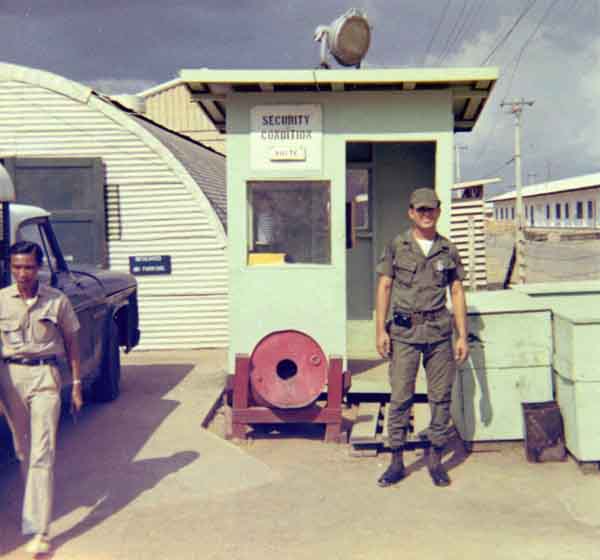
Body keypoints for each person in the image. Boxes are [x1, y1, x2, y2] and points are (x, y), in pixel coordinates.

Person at [375, 188, 469, 488]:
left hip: (439, 333)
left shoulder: (448, 250)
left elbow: (456, 292)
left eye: (432, 210)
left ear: (439, 211)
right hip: (404, 333)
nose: (426, 215)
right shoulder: (398, 246)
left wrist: (462, 336)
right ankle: (396, 461)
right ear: (411, 212)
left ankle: (435, 460)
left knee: (440, 398)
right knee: (400, 397)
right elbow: (385, 286)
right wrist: (379, 330)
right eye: (421, 210)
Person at [0, 241, 82, 556]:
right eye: (17, 267)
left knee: (42, 453)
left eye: (29, 267)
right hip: (11, 379)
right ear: (10, 267)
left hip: (46, 376)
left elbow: (72, 340)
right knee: (23, 451)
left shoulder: (56, 301)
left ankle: (38, 529)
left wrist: (76, 383)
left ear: (39, 268)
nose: (23, 274)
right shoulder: (2, 301)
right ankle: (32, 515)